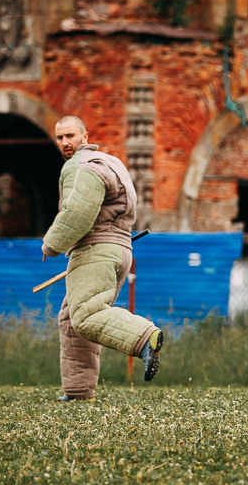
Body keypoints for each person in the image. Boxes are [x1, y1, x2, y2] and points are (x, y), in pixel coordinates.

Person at [41, 115, 163, 401]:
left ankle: (145, 337)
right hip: (120, 250)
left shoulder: (81, 167)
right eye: (59, 137)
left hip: (95, 250)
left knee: (87, 314)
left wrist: (51, 245)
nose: (64, 143)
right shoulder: (112, 162)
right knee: (72, 319)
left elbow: (78, 214)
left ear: (84, 137)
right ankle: (78, 390)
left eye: (70, 136)